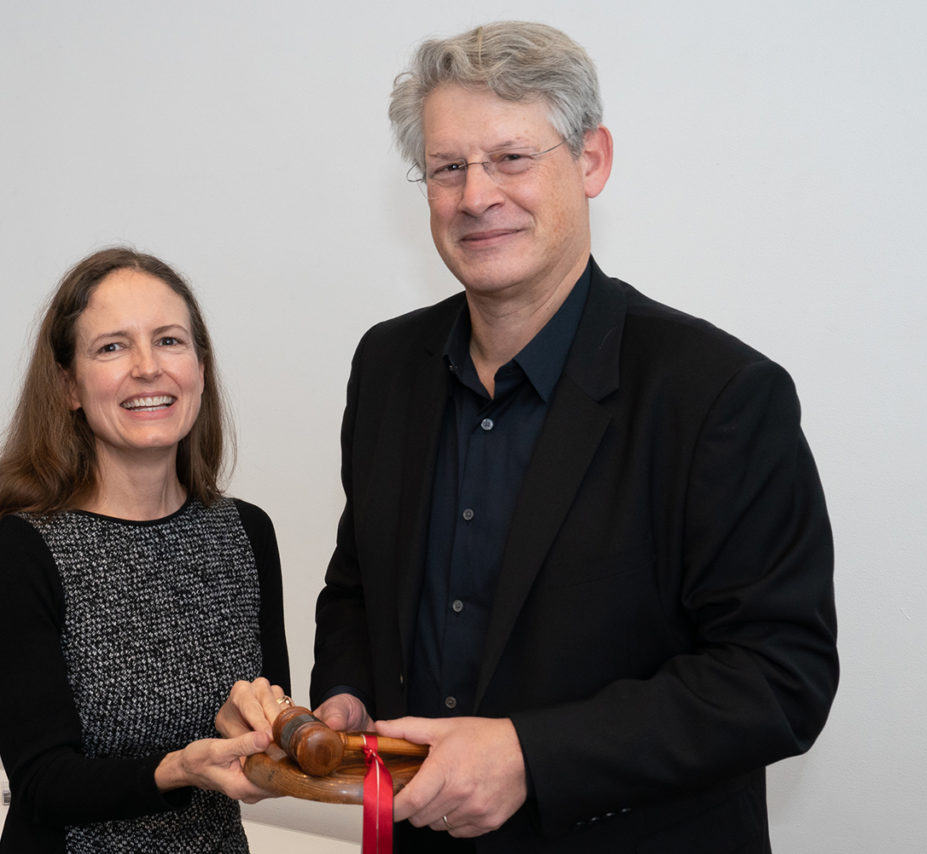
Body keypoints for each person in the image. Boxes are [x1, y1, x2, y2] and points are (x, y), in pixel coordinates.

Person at [307, 22, 838, 853]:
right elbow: (359, 586)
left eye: (512, 158)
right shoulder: (387, 365)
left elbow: (779, 678)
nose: (476, 195)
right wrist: (344, 695)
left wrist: (530, 755)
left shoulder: (720, 394)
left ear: (591, 160)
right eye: (448, 168)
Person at [0, 247, 290, 852]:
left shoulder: (246, 532)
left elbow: (263, 724)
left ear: (200, 367)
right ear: (68, 387)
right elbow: (42, 782)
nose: (147, 368)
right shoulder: (21, 552)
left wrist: (266, 730)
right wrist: (179, 768)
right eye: (112, 347)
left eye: (168, 341)